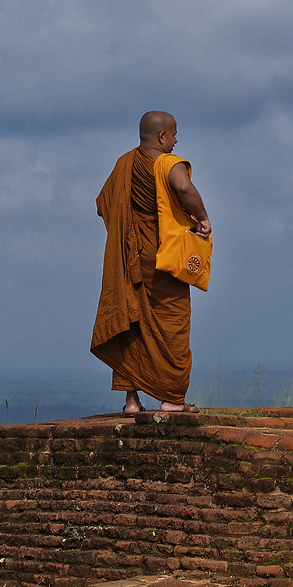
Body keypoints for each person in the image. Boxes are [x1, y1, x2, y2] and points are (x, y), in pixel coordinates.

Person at [91, 111, 211, 414]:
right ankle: (172, 399)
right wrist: (202, 218)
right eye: (174, 134)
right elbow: (184, 188)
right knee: (173, 325)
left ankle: (131, 401)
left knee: (131, 323)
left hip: (131, 259)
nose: (176, 141)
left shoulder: (124, 164)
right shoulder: (167, 163)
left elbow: (104, 204)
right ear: (161, 137)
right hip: (164, 258)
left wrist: (128, 232)